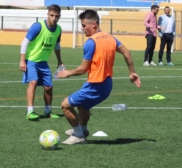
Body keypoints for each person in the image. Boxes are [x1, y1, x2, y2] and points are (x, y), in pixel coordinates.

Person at [57, 9, 142, 145]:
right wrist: (132, 72)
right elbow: (126, 51)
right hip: (105, 84)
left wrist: (69, 72)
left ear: (94, 25)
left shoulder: (91, 42)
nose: (82, 28)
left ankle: (78, 135)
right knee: (82, 106)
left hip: (96, 85)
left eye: (84, 25)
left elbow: (83, 69)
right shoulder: (110, 37)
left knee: (65, 105)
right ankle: (83, 130)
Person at [19, 4, 64, 120]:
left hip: (44, 62)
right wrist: (22, 61)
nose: (54, 18)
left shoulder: (58, 29)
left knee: (48, 87)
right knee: (33, 83)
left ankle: (47, 111)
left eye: (57, 16)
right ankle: (30, 112)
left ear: (60, 17)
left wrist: (59, 61)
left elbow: (57, 45)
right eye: (52, 15)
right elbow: (24, 42)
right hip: (31, 61)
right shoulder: (38, 26)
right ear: (47, 14)